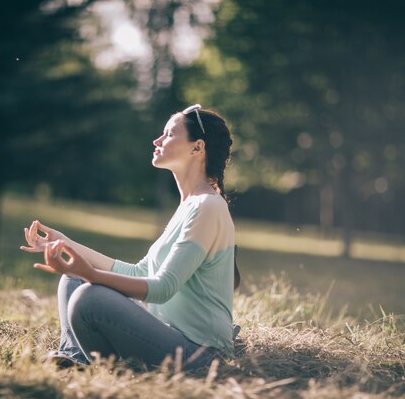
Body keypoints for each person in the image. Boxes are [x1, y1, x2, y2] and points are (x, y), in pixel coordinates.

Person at [20, 104, 240, 371]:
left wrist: (92, 274)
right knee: (73, 280)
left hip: (199, 356)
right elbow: (140, 272)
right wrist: (64, 244)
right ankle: (75, 358)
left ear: (197, 148)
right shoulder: (190, 205)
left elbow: (162, 288)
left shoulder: (208, 206)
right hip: (168, 338)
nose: (156, 140)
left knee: (89, 297)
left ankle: (87, 363)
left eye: (169, 134)